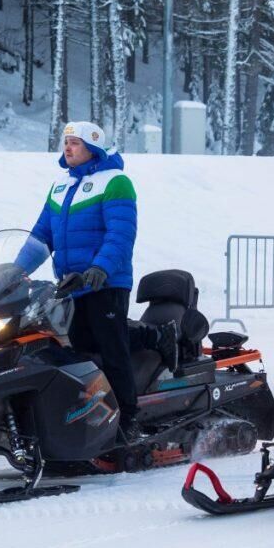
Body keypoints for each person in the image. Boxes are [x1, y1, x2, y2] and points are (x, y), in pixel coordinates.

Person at [23, 121, 177, 439]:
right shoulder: (61, 185)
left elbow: (121, 234)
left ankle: (128, 418)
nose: (67, 147)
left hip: (106, 280)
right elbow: (41, 236)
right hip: (73, 285)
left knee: (111, 347)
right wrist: (15, 271)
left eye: (75, 143)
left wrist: (101, 268)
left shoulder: (116, 182)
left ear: (92, 147)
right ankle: (151, 339)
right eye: (66, 142)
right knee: (82, 347)